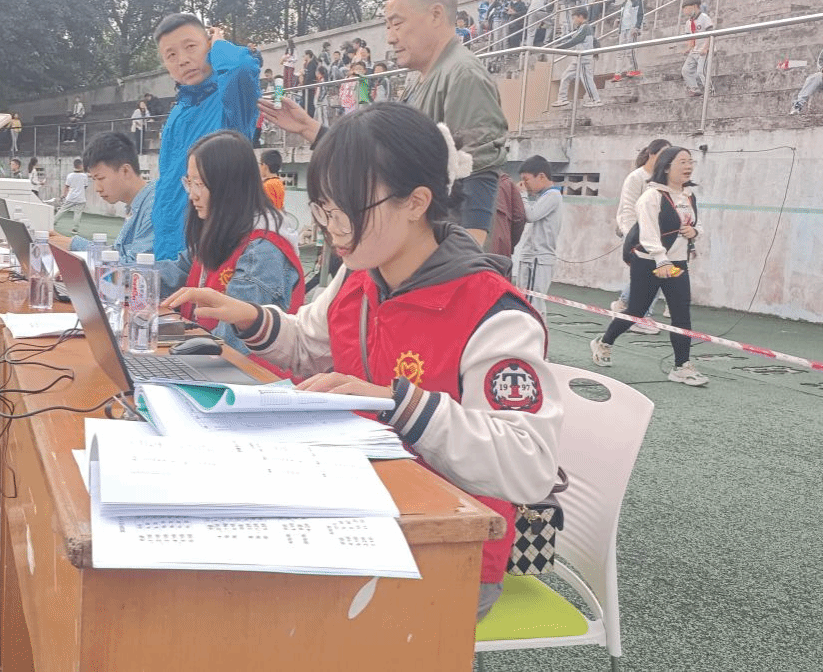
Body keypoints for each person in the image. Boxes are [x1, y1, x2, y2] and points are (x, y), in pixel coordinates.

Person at [164, 103, 562, 620]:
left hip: (448, 548)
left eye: (346, 210)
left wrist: (399, 403)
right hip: (360, 506)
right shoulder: (360, 276)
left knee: (262, 611)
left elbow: (529, 465)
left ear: (416, 202)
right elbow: (310, 345)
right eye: (324, 209)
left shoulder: (494, 314)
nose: (332, 228)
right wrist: (249, 317)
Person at [258, 0, 508, 248]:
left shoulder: (463, 74)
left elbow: (478, 171)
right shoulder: (418, 78)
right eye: (387, 26)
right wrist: (309, 128)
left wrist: (465, 256)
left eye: (397, 24)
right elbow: (383, 157)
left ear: (436, 15)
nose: (390, 38)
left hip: (440, 252)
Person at [157, 130, 303, 356]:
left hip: (243, 373)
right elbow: (176, 272)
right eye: (189, 182)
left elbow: (233, 344)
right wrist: (121, 278)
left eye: (199, 184)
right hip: (209, 362)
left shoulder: (262, 251)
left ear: (228, 187)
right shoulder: (223, 231)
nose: (192, 195)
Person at [592, 147, 708, 387]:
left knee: (681, 314)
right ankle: (604, 342)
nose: (688, 166)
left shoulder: (688, 196)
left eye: (690, 162)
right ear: (666, 167)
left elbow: (695, 224)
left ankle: (682, 366)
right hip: (648, 262)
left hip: (677, 263)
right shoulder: (651, 196)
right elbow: (648, 232)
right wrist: (660, 259)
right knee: (636, 311)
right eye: (682, 162)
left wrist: (695, 231)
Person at [150, 13, 260, 260]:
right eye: (171, 55)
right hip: (168, 250)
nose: (183, 60)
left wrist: (219, 42)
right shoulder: (177, 113)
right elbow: (167, 185)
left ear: (209, 46)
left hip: (212, 250)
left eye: (191, 47)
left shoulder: (230, 99)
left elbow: (241, 68)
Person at [51, 132, 154, 262]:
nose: (97, 188)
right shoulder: (137, 204)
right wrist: (70, 243)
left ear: (125, 171)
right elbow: (120, 255)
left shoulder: (155, 205)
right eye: (94, 180)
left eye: (100, 178)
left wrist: (74, 245)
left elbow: (139, 266)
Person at [613, 139, 672, 334]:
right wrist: (634, 237)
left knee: (651, 275)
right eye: (663, 154)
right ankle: (640, 316)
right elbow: (628, 209)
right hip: (638, 235)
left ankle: (624, 304)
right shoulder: (636, 177)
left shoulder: (662, 180)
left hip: (657, 236)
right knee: (650, 275)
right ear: (651, 154)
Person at [513, 156, 563, 316]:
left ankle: (535, 331)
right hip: (533, 257)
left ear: (541, 176)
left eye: (526, 180)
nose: (524, 185)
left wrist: (522, 195)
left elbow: (531, 215)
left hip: (537, 258)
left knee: (531, 305)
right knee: (527, 302)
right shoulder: (545, 196)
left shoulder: (553, 195)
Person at [551, 9, 602, 107]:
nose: (574, 20)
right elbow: (594, 41)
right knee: (565, 76)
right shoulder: (583, 28)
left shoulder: (585, 27)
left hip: (583, 59)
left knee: (586, 80)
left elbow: (575, 41)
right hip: (577, 59)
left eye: (574, 18)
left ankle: (596, 100)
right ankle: (562, 99)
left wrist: (558, 47)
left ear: (581, 17)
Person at [612, 0, 645, 82]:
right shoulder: (624, 3)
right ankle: (617, 73)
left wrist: (637, 27)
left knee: (630, 51)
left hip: (631, 29)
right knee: (620, 52)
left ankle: (634, 69)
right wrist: (618, 20)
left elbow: (640, 15)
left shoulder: (638, 1)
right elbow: (622, 14)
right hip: (623, 29)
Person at [680, 0, 713, 97]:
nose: (685, 11)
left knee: (701, 71)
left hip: (703, 50)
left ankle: (710, 91)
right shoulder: (688, 22)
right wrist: (688, 48)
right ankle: (694, 88)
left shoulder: (704, 18)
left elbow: (710, 33)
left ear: (694, 6)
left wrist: (706, 48)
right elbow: (690, 37)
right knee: (686, 70)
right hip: (694, 50)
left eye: (687, 8)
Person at [489, 171, 526, 258]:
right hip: (500, 247)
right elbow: (519, 216)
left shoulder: (465, 181)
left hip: (471, 248)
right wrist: (509, 243)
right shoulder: (506, 183)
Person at [57, 157, 89, 234]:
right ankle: (75, 229)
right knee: (77, 214)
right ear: (81, 165)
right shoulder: (84, 176)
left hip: (70, 197)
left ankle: (52, 223)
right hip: (81, 198)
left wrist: (64, 195)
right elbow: (85, 186)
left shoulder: (70, 175)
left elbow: (66, 186)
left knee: (62, 210)